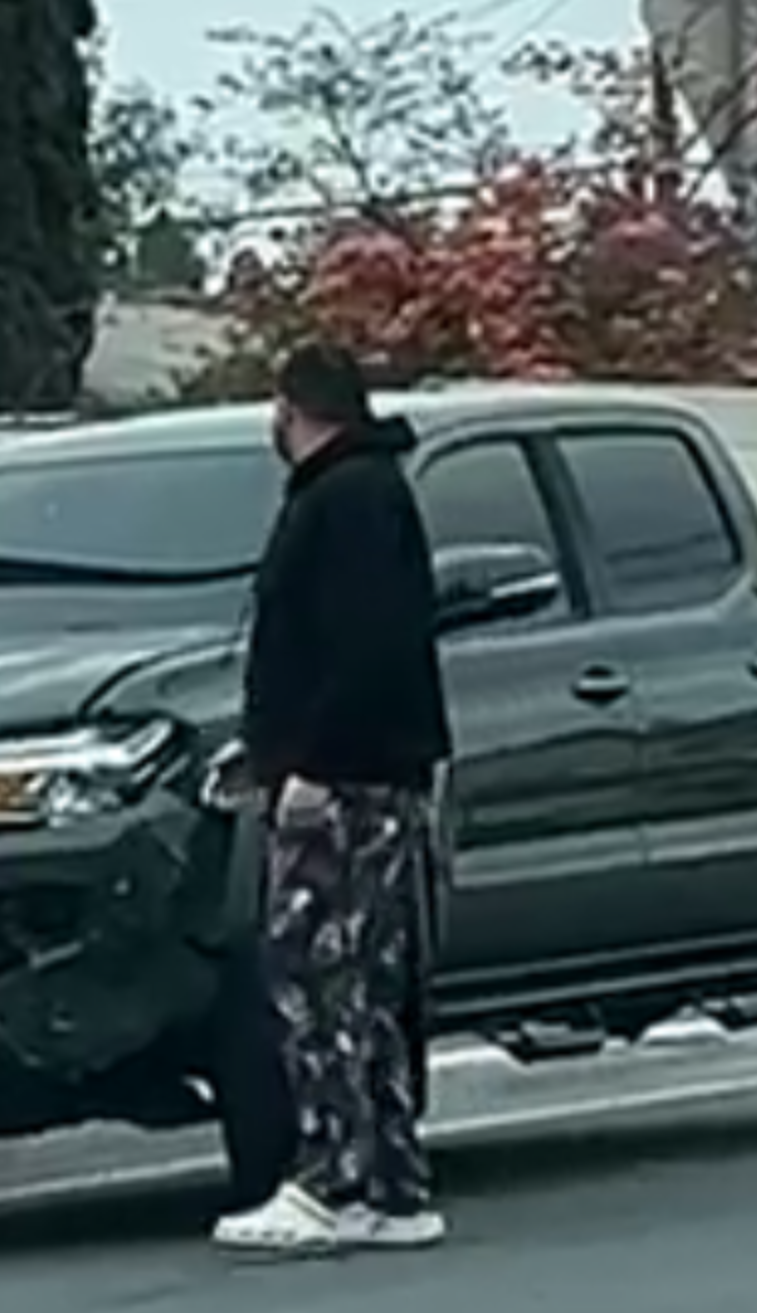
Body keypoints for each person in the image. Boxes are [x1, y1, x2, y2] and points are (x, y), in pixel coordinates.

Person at [211, 341, 452, 1255]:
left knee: (313, 973)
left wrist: (309, 762)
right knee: (371, 980)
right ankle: (392, 1183)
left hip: (346, 781)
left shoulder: (344, 502)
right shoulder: (371, 494)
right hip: (371, 772)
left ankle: (327, 1179)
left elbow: (361, 648)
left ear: (295, 408)